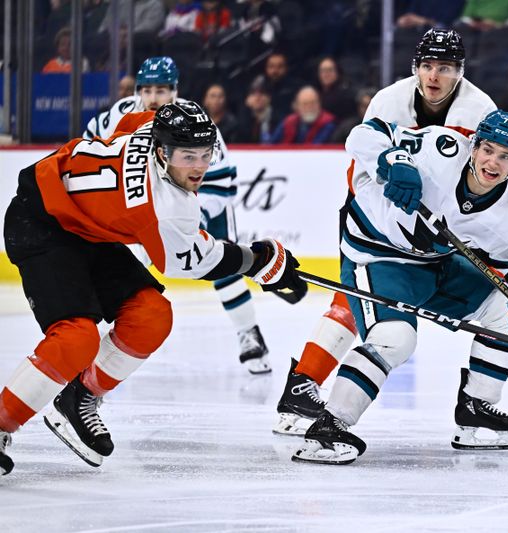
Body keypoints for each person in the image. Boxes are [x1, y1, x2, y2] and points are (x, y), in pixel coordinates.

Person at [275, 28, 508, 437]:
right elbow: (363, 147)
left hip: (447, 223)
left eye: (446, 68)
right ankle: (306, 385)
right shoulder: (389, 101)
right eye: (427, 66)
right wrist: (393, 171)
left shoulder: (479, 111)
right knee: (368, 303)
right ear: (415, 67)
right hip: (384, 215)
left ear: (460, 72)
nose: (434, 76)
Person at [0, 101, 306, 475]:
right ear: (162, 152)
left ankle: (80, 397)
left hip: (86, 226)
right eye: (187, 156)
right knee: (76, 339)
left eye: (205, 154)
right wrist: (258, 259)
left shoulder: (151, 126)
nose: (198, 167)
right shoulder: (167, 207)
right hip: (40, 221)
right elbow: (195, 262)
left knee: (151, 316)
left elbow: (126, 124)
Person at [293, 110, 508, 465]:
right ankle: (330, 426)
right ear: (474, 146)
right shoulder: (439, 148)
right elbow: (364, 134)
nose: (493, 162)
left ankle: (476, 407)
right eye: (488, 150)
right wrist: (393, 159)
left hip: (433, 264)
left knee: (503, 309)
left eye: (506, 156)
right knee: (396, 338)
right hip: (376, 254)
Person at [84, 57, 273, 374]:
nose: (154, 97)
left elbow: (221, 180)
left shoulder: (194, 119)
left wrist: (190, 219)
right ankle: (94, 338)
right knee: (120, 263)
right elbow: (91, 145)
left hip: (198, 199)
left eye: (162, 89)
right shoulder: (118, 115)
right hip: (141, 202)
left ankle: (249, 334)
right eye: (147, 89)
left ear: (175, 91)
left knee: (223, 267)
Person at [268, 86, 337, 145]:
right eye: (305, 104)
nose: (309, 107)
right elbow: (271, 145)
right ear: (297, 106)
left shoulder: (327, 124)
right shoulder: (288, 123)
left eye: (312, 103)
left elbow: (316, 147)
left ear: (319, 104)